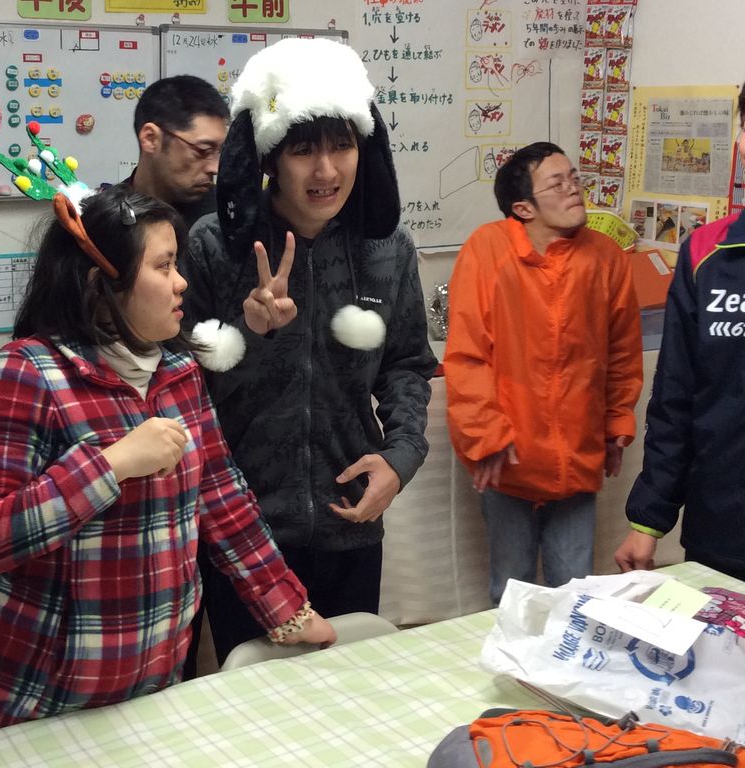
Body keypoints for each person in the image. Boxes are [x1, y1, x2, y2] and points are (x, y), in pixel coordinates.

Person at [0, 186, 335, 734]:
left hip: (149, 691)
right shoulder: (21, 373)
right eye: (164, 265)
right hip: (30, 703)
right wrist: (109, 466)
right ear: (100, 285)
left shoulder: (178, 372)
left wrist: (290, 612)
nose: (182, 283)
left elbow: (223, 500)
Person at [182, 37, 437, 664]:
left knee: (349, 681)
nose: (326, 171)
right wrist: (252, 335)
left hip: (350, 517)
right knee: (250, 689)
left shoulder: (387, 248)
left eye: (341, 146)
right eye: (303, 151)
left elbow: (407, 364)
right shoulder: (217, 245)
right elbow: (182, 388)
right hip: (245, 529)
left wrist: (401, 456)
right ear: (270, 156)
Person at [445, 142, 643, 605]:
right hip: (509, 458)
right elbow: (468, 355)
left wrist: (616, 422)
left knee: (574, 594)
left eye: (574, 178)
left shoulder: (606, 257)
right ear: (523, 208)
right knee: (511, 593)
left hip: (576, 458)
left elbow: (622, 352)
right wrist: (485, 436)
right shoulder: (487, 249)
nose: (573, 189)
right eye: (557, 183)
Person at [615, 83, 745, 580]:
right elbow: (675, 396)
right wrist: (648, 519)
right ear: (740, 143)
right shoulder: (706, 253)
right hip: (721, 529)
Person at [124, 74, 230, 228]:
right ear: (150, 138)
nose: (215, 168)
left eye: (220, 151)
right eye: (203, 150)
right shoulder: (101, 220)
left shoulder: (228, 218)